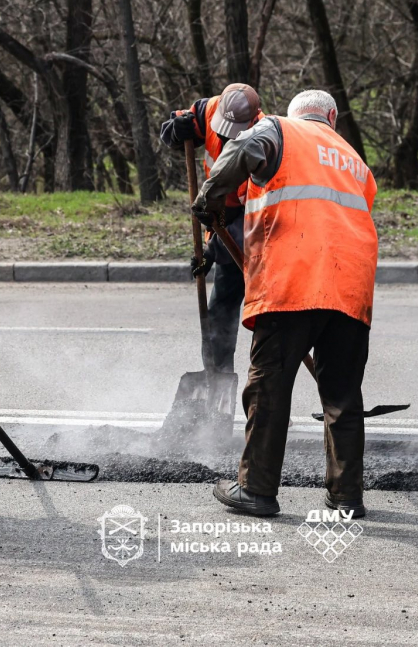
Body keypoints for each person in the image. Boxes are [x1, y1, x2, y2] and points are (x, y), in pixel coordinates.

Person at [192, 89, 379, 518]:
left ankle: (256, 489)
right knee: (342, 395)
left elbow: (242, 149)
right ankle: (346, 498)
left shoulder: (278, 129)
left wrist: (211, 197)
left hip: (292, 280)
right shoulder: (354, 159)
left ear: (295, 115)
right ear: (332, 118)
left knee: (269, 388)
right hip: (351, 287)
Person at [159, 83, 262, 373]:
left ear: (253, 120)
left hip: (257, 235)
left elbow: (252, 221)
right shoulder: (208, 109)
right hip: (222, 223)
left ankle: (266, 390)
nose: (226, 136)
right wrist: (175, 131)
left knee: (266, 318)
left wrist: (212, 251)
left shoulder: (263, 142)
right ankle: (216, 377)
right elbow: (172, 133)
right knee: (219, 315)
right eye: (223, 129)